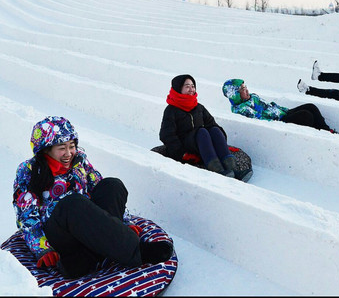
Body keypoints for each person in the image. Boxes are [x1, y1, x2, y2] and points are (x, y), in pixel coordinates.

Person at [13, 116, 173, 279]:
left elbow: (99, 187)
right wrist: (42, 248)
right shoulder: (29, 171)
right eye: (62, 148)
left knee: (112, 185)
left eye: (72, 146)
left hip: (87, 227)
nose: (68, 153)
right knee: (73, 203)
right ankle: (137, 251)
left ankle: (84, 259)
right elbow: (25, 214)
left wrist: (122, 223)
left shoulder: (79, 161)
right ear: (46, 149)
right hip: (58, 233)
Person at [159, 74, 241, 179]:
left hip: (202, 145)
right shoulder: (171, 110)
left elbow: (212, 124)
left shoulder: (198, 107)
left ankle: (233, 168)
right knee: (202, 131)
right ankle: (217, 170)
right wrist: (182, 153)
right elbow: (166, 135)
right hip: (186, 147)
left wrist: (220, 143)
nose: (191, 89)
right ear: (178, 88)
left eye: (193, 86)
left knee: (215, 130)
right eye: (187, 86)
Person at [222, 78, 338, 133]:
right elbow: (261, 120)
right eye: (242, 89)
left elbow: (269, 106)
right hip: (279, 122)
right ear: (235, 94)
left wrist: (286, 111)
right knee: (305, 115)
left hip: (281, 114)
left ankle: (327, 131)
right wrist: (281, 121)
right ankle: (319, 133)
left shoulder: (253, 97)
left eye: (245, 86)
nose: (246, 90)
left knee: (310, 106)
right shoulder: (241, 109)